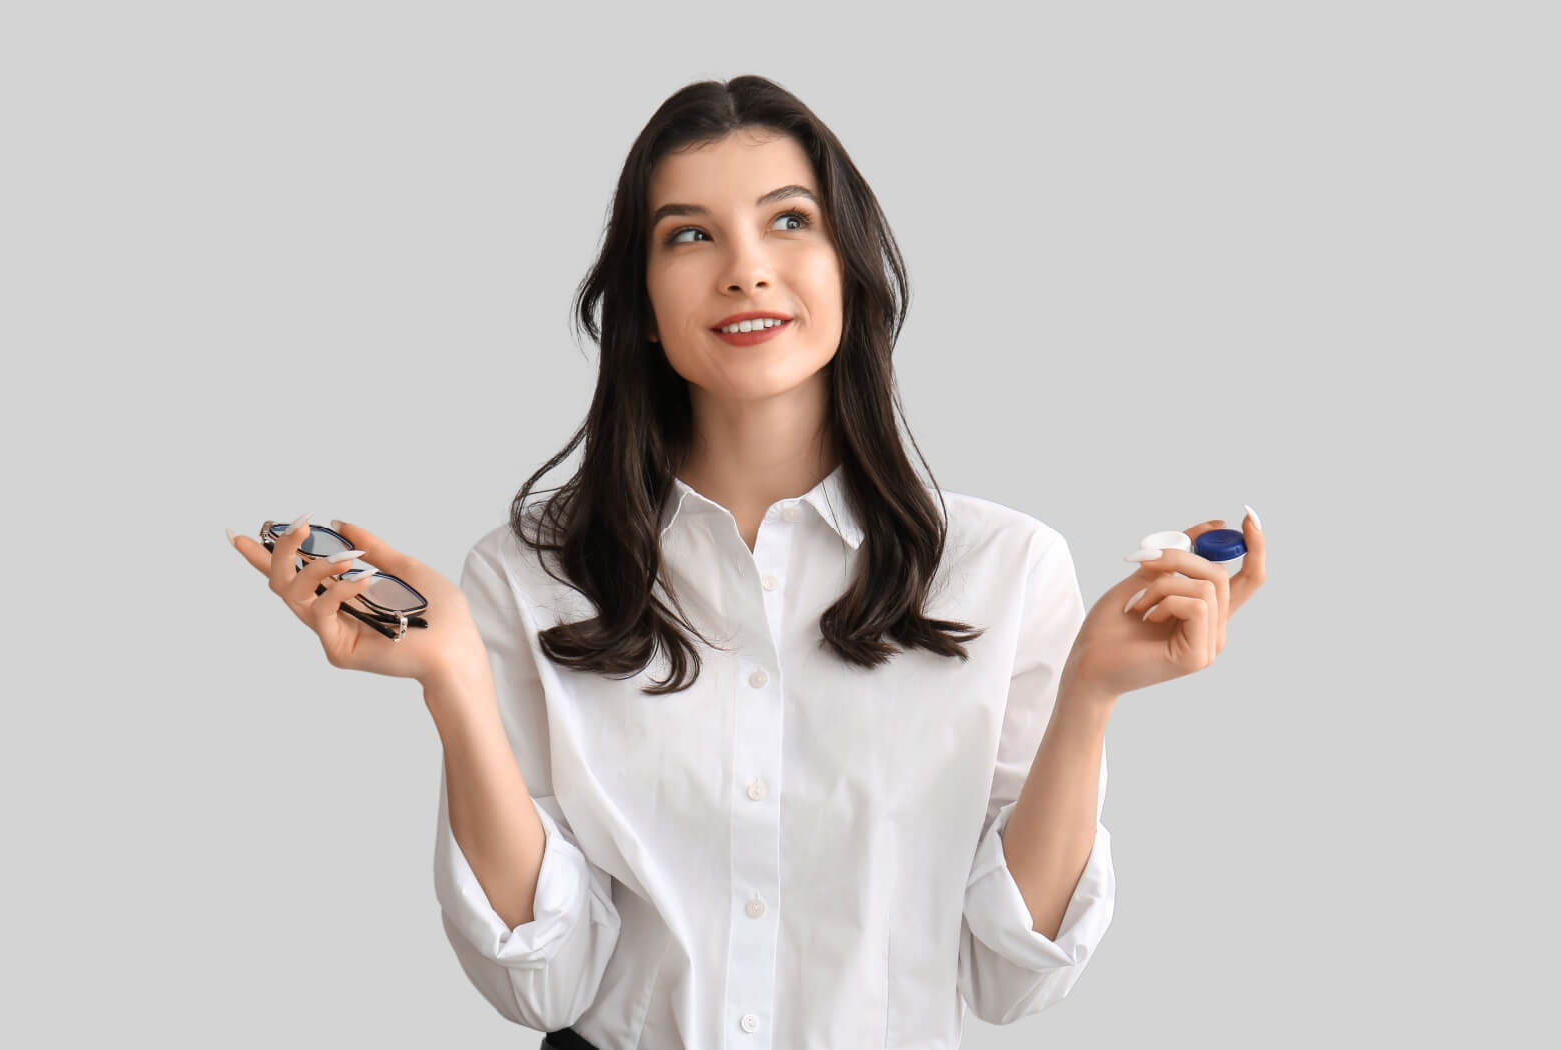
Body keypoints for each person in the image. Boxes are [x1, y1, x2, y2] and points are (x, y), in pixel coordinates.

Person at [229, 74, 1267, 1050]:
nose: (745, 269)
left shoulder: (1007, 569)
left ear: (849, 266)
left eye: (788, 220)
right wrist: (452, 683)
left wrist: (1091, 695)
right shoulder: (526, 575)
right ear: (640, 303)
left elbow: (1009, 976)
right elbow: (544, 984)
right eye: (689, 235)